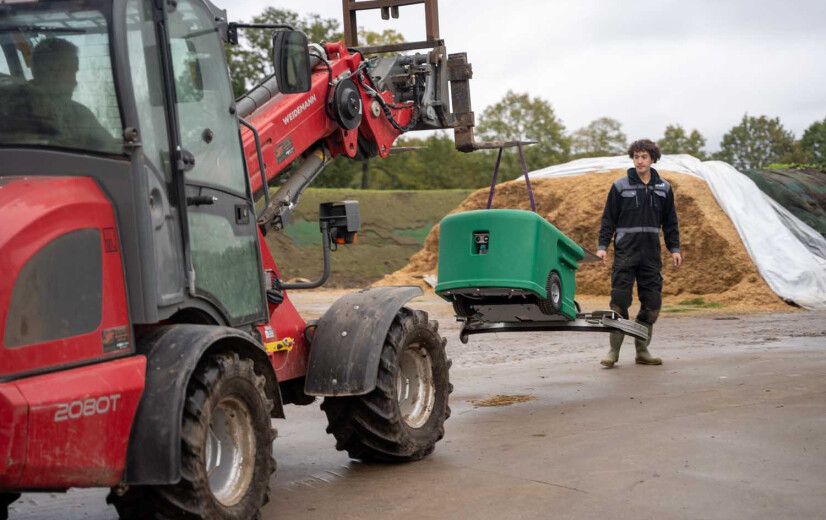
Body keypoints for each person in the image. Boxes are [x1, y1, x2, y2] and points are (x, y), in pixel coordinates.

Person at [596, 139, 681, 368]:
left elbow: (670, 222)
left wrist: (674, 248)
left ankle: (642, 351)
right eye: (636, 157)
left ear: (653, 158)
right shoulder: (620, 186)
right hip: (625, 252)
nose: (639, 161)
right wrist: (602, 247)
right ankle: (613, 351)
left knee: (652, 303)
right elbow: (608, 220)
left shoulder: (664, 188)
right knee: (619, 302)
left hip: (651, 255)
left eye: (643, 157)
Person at [28, 37, 115, 151]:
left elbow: (111, 147)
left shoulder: (78, 113)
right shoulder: (16, 111)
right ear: (51, 72)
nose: (74, 82)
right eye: (71, 72)